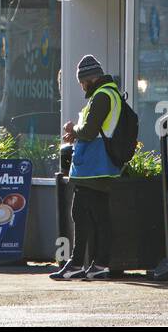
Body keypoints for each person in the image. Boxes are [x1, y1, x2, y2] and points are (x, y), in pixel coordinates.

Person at [52, 54, 122, 281]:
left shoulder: (102, 96)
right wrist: (77, 133)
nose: (81, 86)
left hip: (95, 166)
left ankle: (81, 263)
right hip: (96, 165)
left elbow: (90, 131)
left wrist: (73, 129)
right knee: (93, 214)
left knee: (81, 213)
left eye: (81, 81)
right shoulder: (106, 93)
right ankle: (95, 264)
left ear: (89, 79)